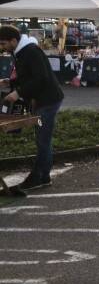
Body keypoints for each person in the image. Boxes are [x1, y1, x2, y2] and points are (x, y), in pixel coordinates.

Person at [0, 25, 64, 193]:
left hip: (48, 101)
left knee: (43, 139)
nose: (2, 47)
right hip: (41, 101)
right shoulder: (21, 52)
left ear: (14, 40)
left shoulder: (31, 52)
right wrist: (9, 82)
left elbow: (41, 78)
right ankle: (43, 176)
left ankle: (38, 177)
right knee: (43, 139)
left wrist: (18, 93)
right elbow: (27, 76)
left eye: (4, 43)